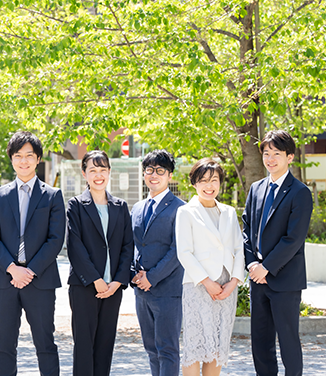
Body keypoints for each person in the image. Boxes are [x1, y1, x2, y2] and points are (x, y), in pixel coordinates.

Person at [0, 131, 66, 376]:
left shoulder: (52, 196)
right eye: (18, 156)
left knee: (46, 344)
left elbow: (55, 239)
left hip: (40, 280)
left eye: (29, 156)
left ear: (38, 159)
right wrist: (13, 269)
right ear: (11, 159)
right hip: (4, 279)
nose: (24, 161)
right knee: (5, 346)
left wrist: (29, 271)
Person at [242, 130, 313, 376]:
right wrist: (252, 265)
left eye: (277, 154)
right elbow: (247, 230)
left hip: (284, 280)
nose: (270, 159)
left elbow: (293, 239)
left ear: (290, 157)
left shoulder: (300, 192)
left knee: (288, 342)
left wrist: (267, 267)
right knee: (260, 344)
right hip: (257, 278)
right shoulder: (256, 189)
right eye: (266, 153)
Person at [66, 150, 133, 376]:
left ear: (109, 172)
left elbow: (127, 246)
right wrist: (95, 279)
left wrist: (118, 282)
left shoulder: (121, 206)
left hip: (113, 288)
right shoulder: (75, 205)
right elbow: (74, 246)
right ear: (84, 174)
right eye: (92, 170)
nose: (98, 175)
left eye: (102, 169)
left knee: (105, 346)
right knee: (84, 347)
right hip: (84, 286)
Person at [175, 158, 245, 376]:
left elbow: (238, 249)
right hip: (198, 285)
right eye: (203, 180)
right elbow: (184, 252)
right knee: (195, 345)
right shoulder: (186, 212)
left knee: (218, 343)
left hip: (226, 288)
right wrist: (207, 282)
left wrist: (234, 282)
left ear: (220, 183)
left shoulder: (229, 212)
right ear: (194, 184)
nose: (209, 185)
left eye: (214, 180)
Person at [131, 150, 185, 376]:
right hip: (141, 291)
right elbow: (131, 245)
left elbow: (178, 250)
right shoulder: (137, 207)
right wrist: (133, 274)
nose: (154, 175)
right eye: (150, 170)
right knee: (151, 349)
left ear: (170, 176)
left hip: (167, 291)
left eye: (160, 171)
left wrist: (151, 277)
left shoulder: (181, 208)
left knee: (167, 349)